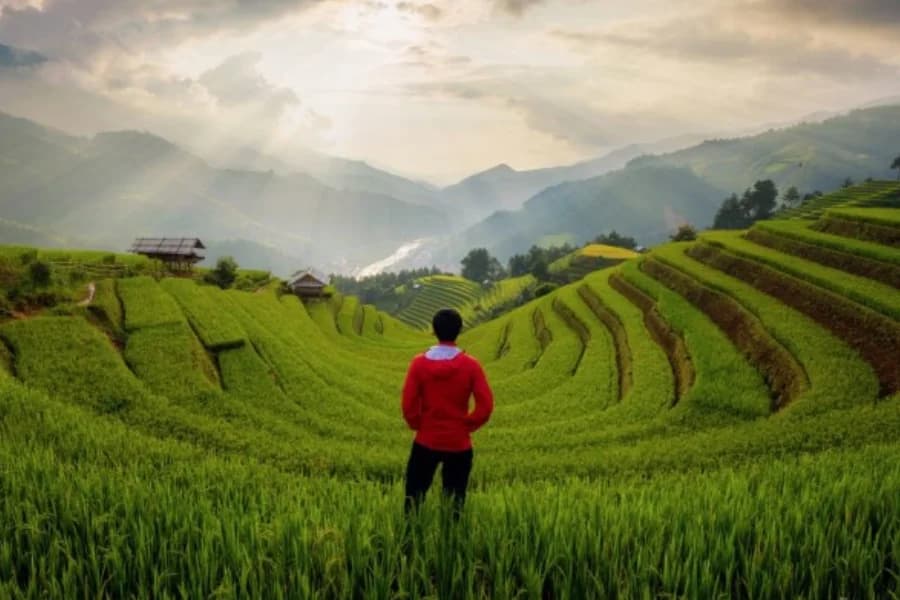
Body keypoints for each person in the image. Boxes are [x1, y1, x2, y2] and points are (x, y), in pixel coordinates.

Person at [401, 308, 494, 514]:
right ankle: (452, 532)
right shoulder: (471, 365)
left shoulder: (418, 364)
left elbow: (408, 403)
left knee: (413, 499)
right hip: (459, 443)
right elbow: (486, 406)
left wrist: (418, 424)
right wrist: (467, 425)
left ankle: (410, 532)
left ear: (434, 331)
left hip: (425, 440)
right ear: (459, 331)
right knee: (455, 503)